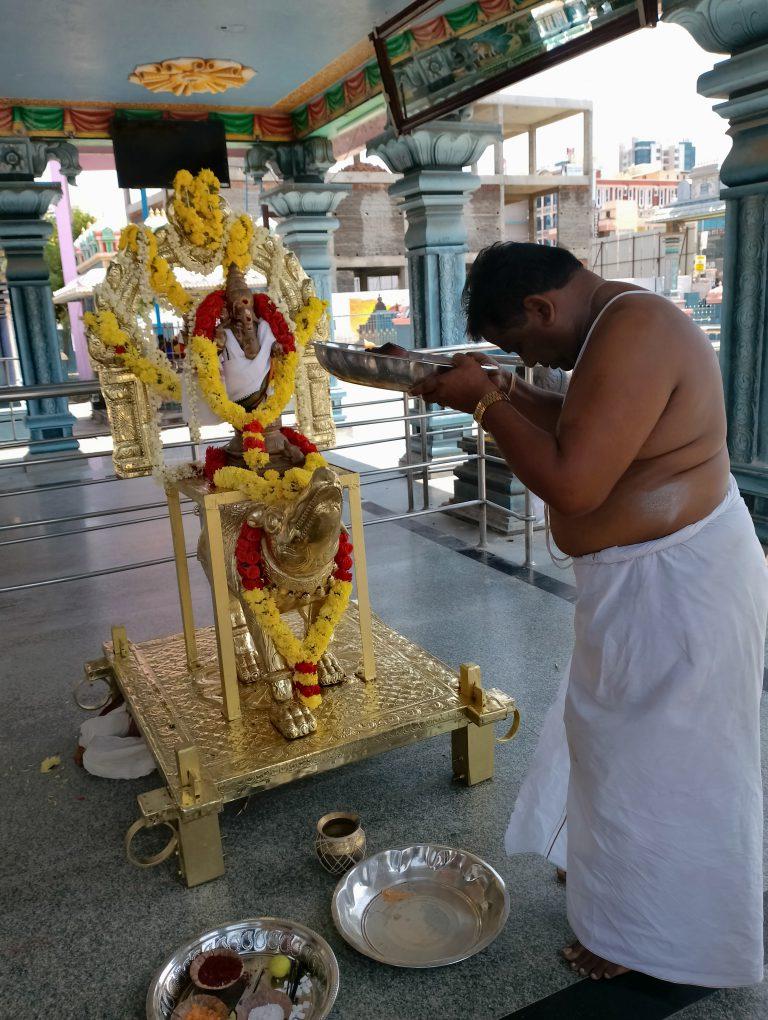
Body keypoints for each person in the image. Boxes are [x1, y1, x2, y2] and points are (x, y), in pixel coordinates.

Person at [412, 242, 768, 986]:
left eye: (520, 343)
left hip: (683, 592)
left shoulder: (634, 328)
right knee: (616, 749)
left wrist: (484, 403)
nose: (528, 358)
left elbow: (573, 484)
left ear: (542, 308)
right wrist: (497, 389)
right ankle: (622, 891)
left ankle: (651, 935)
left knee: (662, 769)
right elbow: (584, 416)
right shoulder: (615, 324)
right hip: (650, 588)